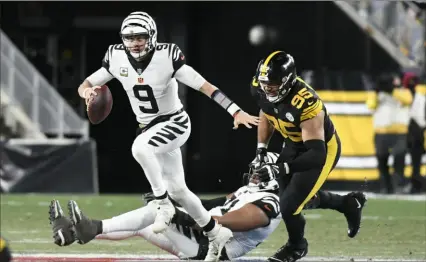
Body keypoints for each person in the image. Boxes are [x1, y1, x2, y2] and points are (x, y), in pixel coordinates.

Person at [75, 11, 259, 261]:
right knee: (180, 190)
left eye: (140, 37)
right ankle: (215, 232)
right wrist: (87, 93)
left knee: (140, 149)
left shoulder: (167, 57)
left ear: (152, 36)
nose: (135, 43)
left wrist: (235, 111)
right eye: (130, 38)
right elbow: (85, 83)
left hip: (175, 122)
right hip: (149, 127)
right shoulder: (116, 57)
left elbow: (205, 86)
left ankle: (162, 204)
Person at [49, 152, 364, 261]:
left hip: (210, 252)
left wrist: (178, 212)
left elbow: (223, 224)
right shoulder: (256, 191)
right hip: (201, 239)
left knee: (157, 215)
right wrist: (176, 203)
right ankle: (77, 232)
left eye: (257, 170)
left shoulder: (269, 203)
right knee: (145, 224)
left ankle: (93, 228)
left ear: (269, 177)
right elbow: (214, 205)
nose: (251, 172)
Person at [249, 51, 367, 262]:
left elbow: (316, 154)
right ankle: (347, 204)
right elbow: (266, 112)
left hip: (319, 149)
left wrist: (280, 167)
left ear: (287, 80)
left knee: (289, 206)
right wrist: (261, 150)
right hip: (293, 143)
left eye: (273, 83)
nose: (267, 88)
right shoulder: (261, 86)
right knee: (290, 199)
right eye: (265, 83)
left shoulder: (305, 101)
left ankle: (296, 246)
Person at [366, 73, 413, 193]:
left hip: (399, 132)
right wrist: (377, 93)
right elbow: (371, 106)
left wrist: (392, 91)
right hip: (381, 132)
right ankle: (386, 187)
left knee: (399, 159)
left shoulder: (404, 91)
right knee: (382, 160)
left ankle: (398, 186)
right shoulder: (377, 94)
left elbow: (408, 100)